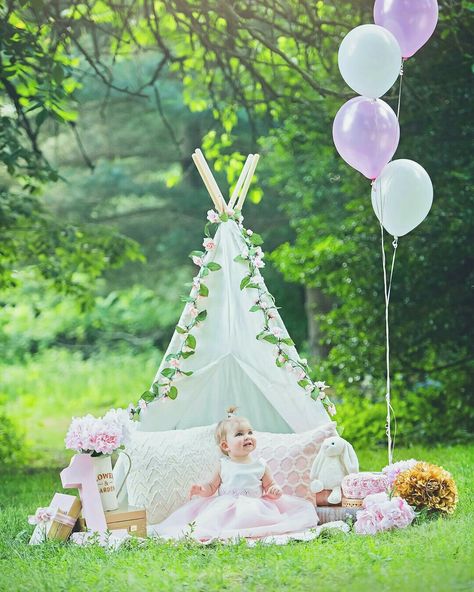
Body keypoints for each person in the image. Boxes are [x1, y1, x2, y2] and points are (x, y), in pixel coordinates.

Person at [149, 407, 319, 541]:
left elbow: (270, 485)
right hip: (226, 508)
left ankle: (252, 532)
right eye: (239, 434)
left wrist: (275, 491)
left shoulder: (260, 465)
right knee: (213, 523)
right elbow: (211, 487)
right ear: (225, 446)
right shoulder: (223, 465)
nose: (247, 437)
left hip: (255, 506)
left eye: (250, 432)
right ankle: (229, 533)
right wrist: (201, 489)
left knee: (257, 519)